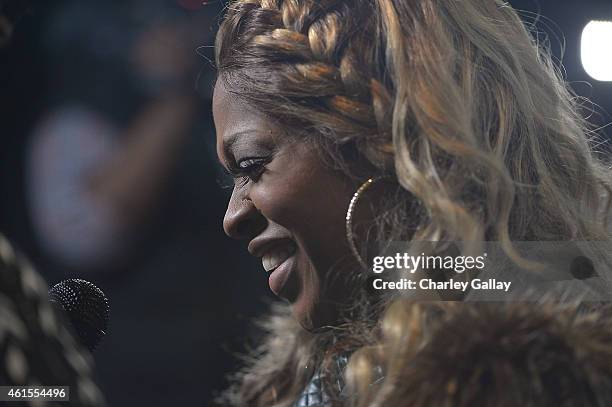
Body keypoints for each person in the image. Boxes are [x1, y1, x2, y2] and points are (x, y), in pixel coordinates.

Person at [211, 0, 612, 406]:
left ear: (382, 147)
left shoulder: (535, 384)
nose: (232, 217)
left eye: (252, 164)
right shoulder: (301, 381)